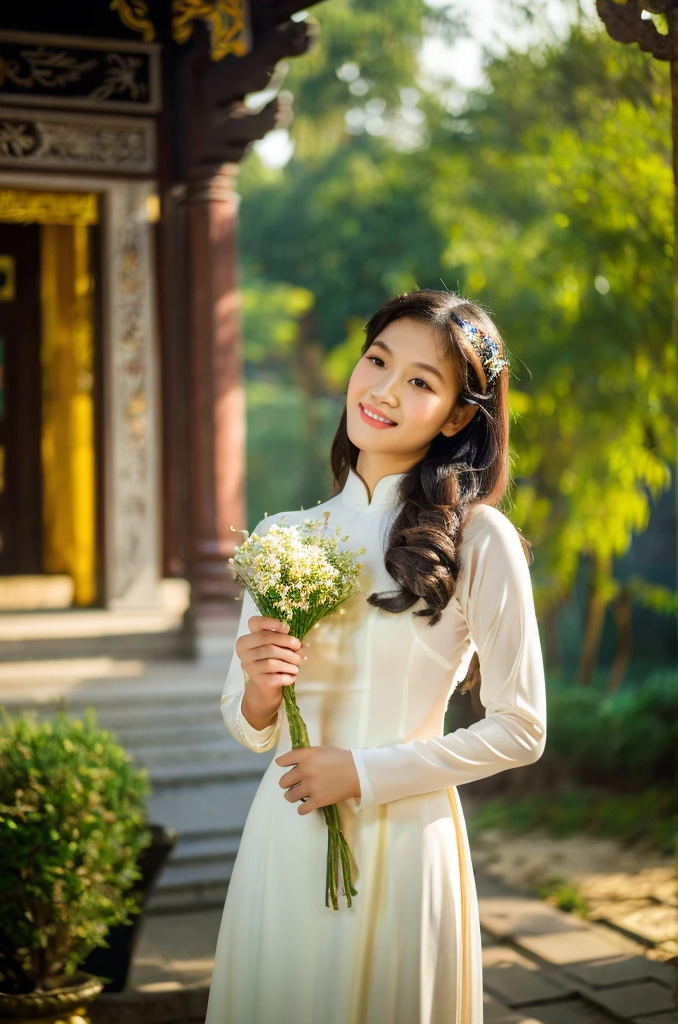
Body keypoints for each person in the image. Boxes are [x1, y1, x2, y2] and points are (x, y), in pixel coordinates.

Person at [204, 289, 547, 1024]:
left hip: (403, 839)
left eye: (421, 381)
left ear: (459, 414)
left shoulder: (478, 540)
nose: (383, 389)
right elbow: (245, 720)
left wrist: (362, 772)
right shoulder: (282, 535)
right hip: (286, 831)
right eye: (377, 360)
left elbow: (523, 727)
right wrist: (261, 690)